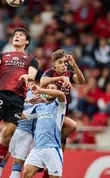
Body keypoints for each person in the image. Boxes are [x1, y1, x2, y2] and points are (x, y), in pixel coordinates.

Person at [0, 27, 39, 178]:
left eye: (21, 35)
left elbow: (32, 74)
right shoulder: (2, 55)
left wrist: (28, 77)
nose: (17, 36)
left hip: (18, 100)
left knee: (7, 136)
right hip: (1, 95)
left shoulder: (31, 59)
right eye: (15, 35)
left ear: (27, 41)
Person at [40, 49, 85, 177]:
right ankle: (52, 140)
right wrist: (60, 77)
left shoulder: (69, 74)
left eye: (65, 62)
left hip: (62, 115)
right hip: (50, 114)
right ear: (54, 65)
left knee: (57, 159)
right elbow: (42, 82)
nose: (64, 64)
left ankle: (53, 141)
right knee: (73, 126)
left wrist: (74, 65)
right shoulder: (49, 73)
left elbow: (82, 81)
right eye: (60, 62)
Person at [0, 86, 45, 178]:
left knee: (17, 161)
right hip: (16, 127)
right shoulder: (18, 91)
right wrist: (28, 101)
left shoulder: (43, 95)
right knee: (7, 154)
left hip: (28, 133)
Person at [22, 82, 66, 178]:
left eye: (52, 88)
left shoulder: (59, 105)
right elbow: (20, 116)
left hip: (52, 148)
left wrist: (40, 90)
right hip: (37, 148)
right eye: (48, 88)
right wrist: (28, 101)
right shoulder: (39, 107)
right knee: (26, 173)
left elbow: (61, 94)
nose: (49, 90)